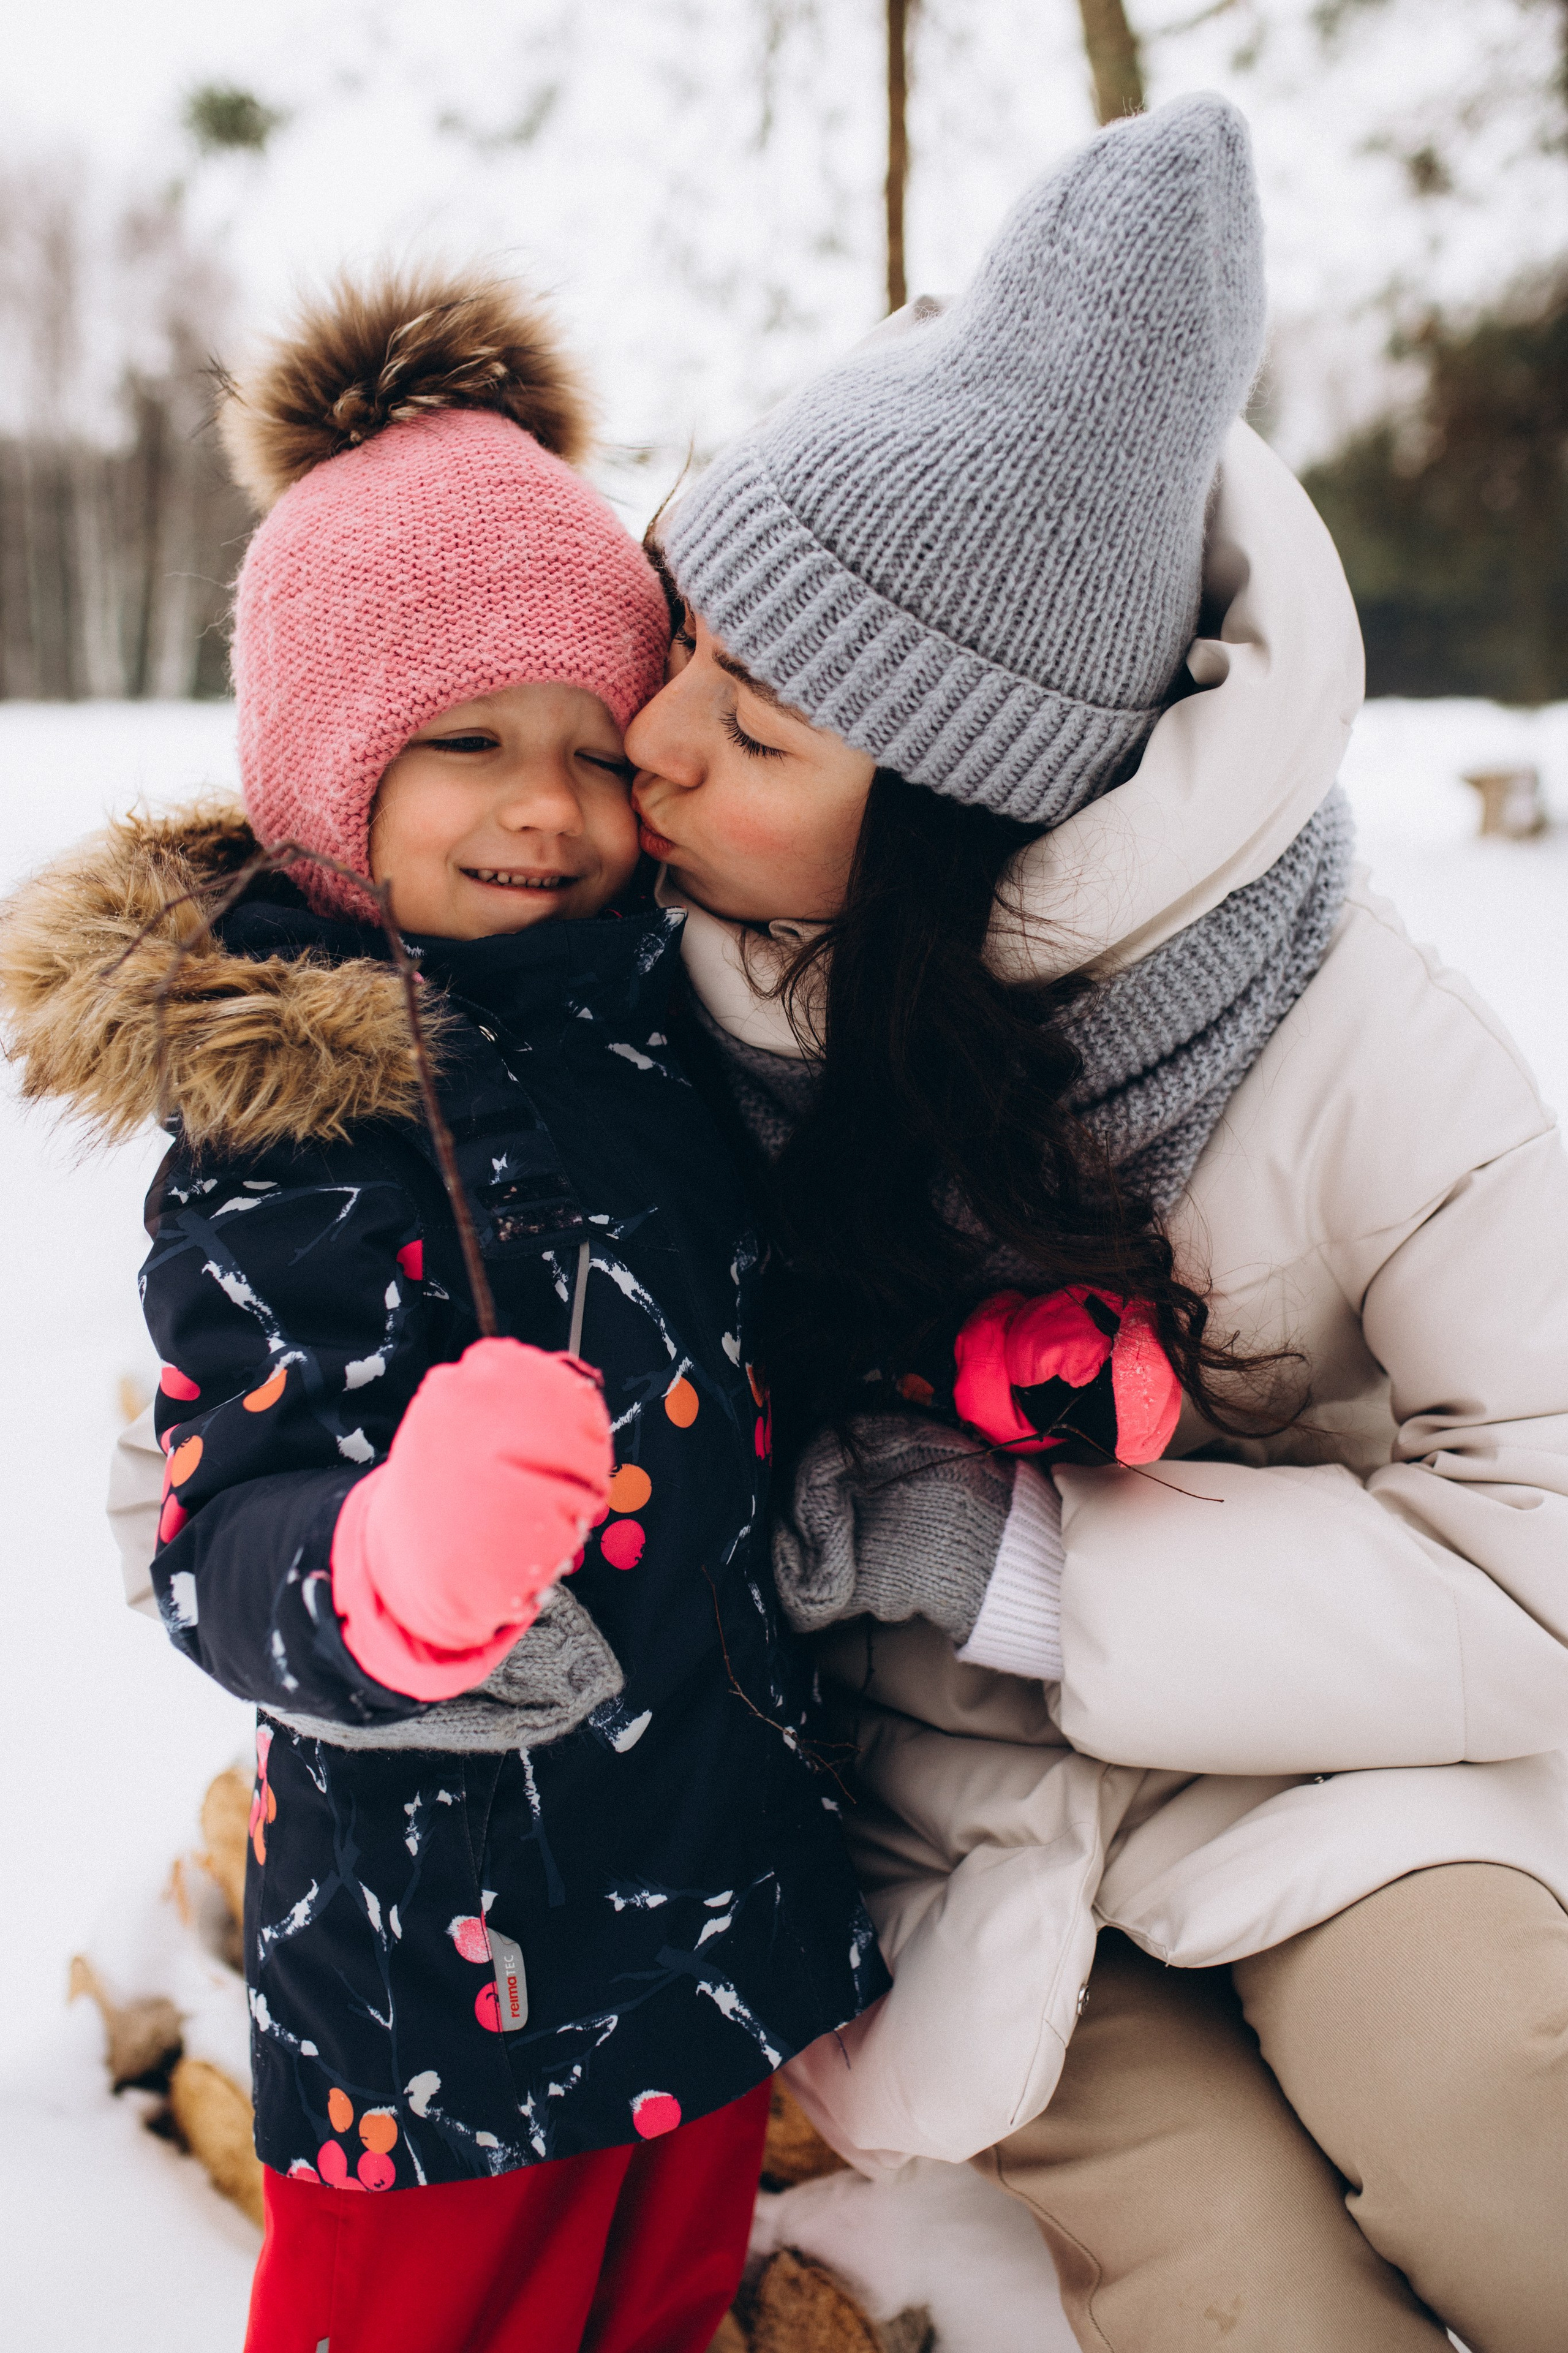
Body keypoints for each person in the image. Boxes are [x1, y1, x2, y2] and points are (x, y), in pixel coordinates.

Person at [620, 96, 1568, 2353]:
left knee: (1512, 2127)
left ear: (957, 831)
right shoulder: (618, 986)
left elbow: (1546, 1538)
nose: (643, 745)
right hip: (918, 1828)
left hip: (1340, 1768)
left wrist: (1020, 1560)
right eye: (678, 644)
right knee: (1247, 2299)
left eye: (745, 727)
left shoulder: (1360, 1043)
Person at [0, 272, 886, 2353]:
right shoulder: (289, 1135)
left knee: (652, 2317)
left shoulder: (674, 1033)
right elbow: (221, 1540)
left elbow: (774, 1327)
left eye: (594, 746)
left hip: (704, 1896)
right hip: (439, 1989)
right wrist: (387, 1569)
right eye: (466, 742)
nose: (546, 805)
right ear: (329, 768)